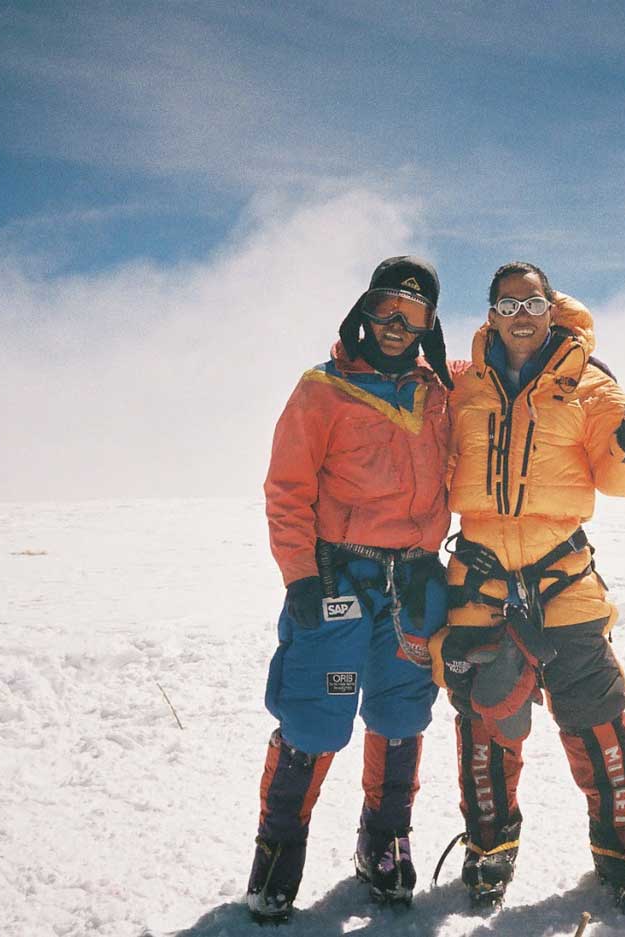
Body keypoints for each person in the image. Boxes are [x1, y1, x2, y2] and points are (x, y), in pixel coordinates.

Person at [429, 261, 625, 910]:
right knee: (484, 726)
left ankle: (624, 851)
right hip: (478, 587)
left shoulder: (590, 384)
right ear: (490, 315)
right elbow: (425, 452)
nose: (521, 318)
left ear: (551, 306)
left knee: (597, 722)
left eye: (532, 304)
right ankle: (489, 849)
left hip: (563, 584)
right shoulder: (465, 388)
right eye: (507, 308)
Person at [246, 256, 454, 921]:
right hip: (338, 580)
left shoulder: (442, 392)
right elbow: (287, 490)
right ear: (364, 307)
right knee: (313, 713)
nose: (397, 325)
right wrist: (301, 576)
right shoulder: (323, 389)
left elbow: (511, 362)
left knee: (401, 714)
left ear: (430, 323)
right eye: (387, 306)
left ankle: (384, 843)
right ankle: (277, 854)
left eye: (414, 313)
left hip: (414, 585)